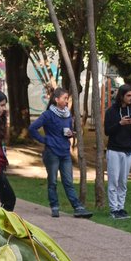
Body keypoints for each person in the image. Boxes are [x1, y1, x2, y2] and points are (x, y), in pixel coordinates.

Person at [29, 88, 92, 219]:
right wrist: (45, 140)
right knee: (52, 181)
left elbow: (66, 131)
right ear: (56, 99)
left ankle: (78, 207)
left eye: (67, 98)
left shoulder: (67, 115)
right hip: (52, 152)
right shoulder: (47, 115)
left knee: (68, 181)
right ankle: (54, 206)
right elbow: (32, 128)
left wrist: (70, 134)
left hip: (65, 152)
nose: (66, 101)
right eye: (64, 98)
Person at [104, 84, 131, 219]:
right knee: (113, 180)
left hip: (128, 150)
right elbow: (107, 131)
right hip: (114, 149)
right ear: (121, 96)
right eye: (128, 95)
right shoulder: (111, 112)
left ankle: (121, 207)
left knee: (123, 181)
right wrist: (120, 124)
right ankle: (113, 209)